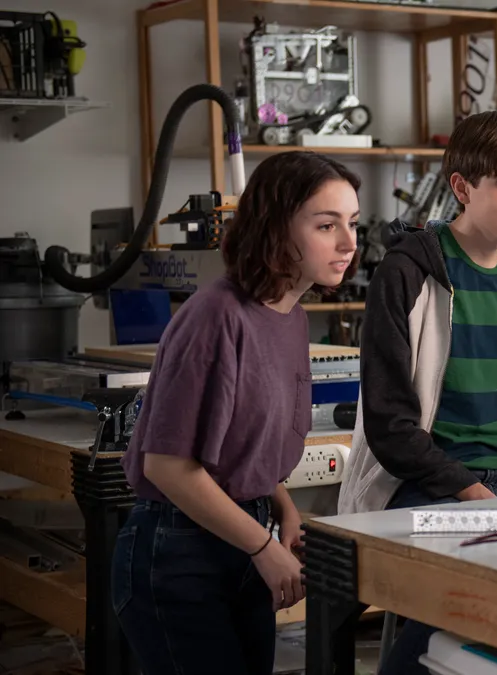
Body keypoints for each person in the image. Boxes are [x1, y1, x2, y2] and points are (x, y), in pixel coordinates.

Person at [338, 110, 497, 674]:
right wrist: (471, 492)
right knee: (466, 586)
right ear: (462, 187)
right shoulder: (407, 272)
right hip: (421, 482)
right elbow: (391, 425)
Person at [110, 151, 361, 674]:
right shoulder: (216, 315)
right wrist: (262, 548)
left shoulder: (290, 315)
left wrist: (284, 508)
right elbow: (167, 465)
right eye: (326, 224)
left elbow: (238, 445)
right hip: (178, 550)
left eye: (352, 224)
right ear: (275, 227)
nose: (348, 243)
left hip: (245, 534)